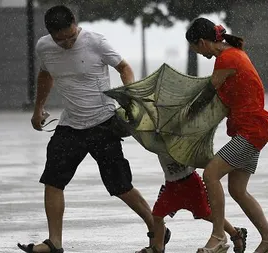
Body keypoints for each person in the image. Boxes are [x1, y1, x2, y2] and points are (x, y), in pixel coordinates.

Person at [17, 5, 169, 253]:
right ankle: (54, 242)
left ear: (75, 23)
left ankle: (156, 227)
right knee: (53, 182)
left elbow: (124, 67)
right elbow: (46, 75)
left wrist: (128, 94)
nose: (66, 43)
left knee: (120, 186)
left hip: (103, 124)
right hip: (70, 126)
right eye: (60, 39)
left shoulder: (95, 42)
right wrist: (38, 108)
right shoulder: (44, 47)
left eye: (71, 36)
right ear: (50, 34)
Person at [185, 17, 268, 253]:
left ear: (202, 42)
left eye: (196, 48)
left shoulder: (227, 58)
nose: (198, 53)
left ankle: (218, 236)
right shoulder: (233, 54)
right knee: (237, 190)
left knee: (210, 174)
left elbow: (207, 94)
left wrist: (182, 114)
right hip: (250, 129)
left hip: (251, 130)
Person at [140, 154, 248, 253]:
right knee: (157, 215)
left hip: (191, 184)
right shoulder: (157, 138)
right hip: (171, 187)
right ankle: (158, 248)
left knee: (207, 214)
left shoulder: (183, 139)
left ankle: (235, 233)